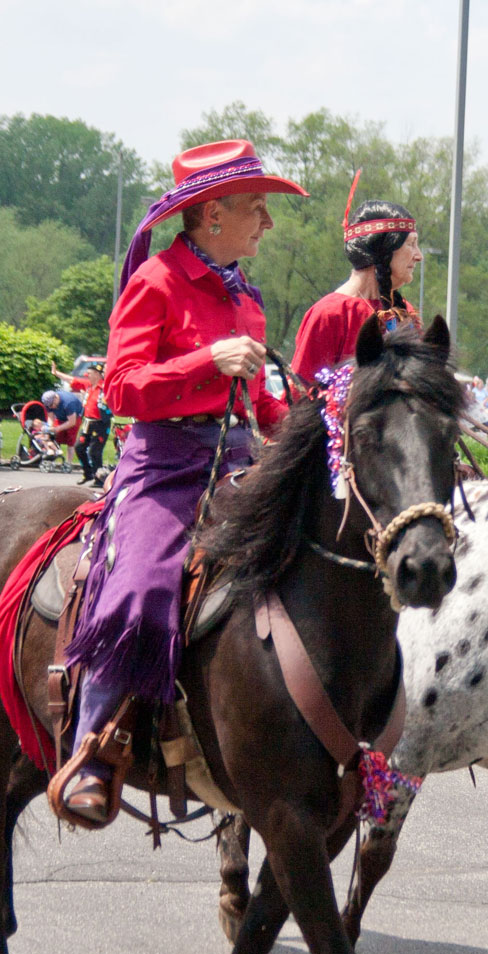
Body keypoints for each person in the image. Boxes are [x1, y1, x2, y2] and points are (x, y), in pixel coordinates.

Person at [57, 139, 308, 823]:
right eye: (257, 207)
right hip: (164, 466)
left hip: (236, 464)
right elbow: (123, 388)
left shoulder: (247, 297)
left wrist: (317, 428)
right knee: (139, 591)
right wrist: (207, 359)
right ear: (212, 214)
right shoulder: (157, 281)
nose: (268, 221)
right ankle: (97, 746)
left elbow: (260, 407)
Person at [291, 172, 422, 382]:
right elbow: (300, 397)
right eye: (410, 244)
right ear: (382, 250)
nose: (419, 256)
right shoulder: (329, 315)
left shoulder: (406, 313)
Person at [52, 360, 112, 485]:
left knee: (94, 451)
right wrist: (56, 373)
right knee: (79, 447)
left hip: (100, 424)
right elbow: (72, 380)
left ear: (97, 373)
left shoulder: (105, 387)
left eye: (89, 373)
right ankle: (88, 473)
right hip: (88, 423)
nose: (87, 375)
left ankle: (100, 478)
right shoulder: (88, 386)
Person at [41, 388, 82, 466]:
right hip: (60, 417)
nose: (51, 407)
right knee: (56, 438)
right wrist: (49, 428)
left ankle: (68, 462)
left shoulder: (68, 403)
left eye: (52, 405)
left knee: (71, 441)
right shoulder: (48, 403)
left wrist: (57, 429)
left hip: (74, 419)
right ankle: (53, 459)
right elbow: (51, 417)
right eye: (49, 406)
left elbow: (72, 422)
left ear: (56, 398)